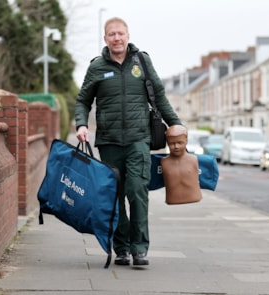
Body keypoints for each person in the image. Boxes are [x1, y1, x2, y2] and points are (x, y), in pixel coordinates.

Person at [75, 17, 181, 266]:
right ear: (105, 39)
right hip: (109, 142)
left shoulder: (142, 62)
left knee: (136, 190)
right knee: (115, 195)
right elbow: (82, 100)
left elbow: (159, 96)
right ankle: (121, 247)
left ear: (128, 35)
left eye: (120, 33)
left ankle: (139, 248)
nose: (117, 38)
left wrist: (176, 123)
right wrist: (80, 124)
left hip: (138, 140)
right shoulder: (97, 67)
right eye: (111, 34)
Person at [161, 125, 202, 205]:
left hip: (194, 197)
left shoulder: (193, 159)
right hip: (171, 199)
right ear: (167, 143)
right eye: (172, 143)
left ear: (186, 140)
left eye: (180, 143)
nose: (176, 146)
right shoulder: (163, 162)